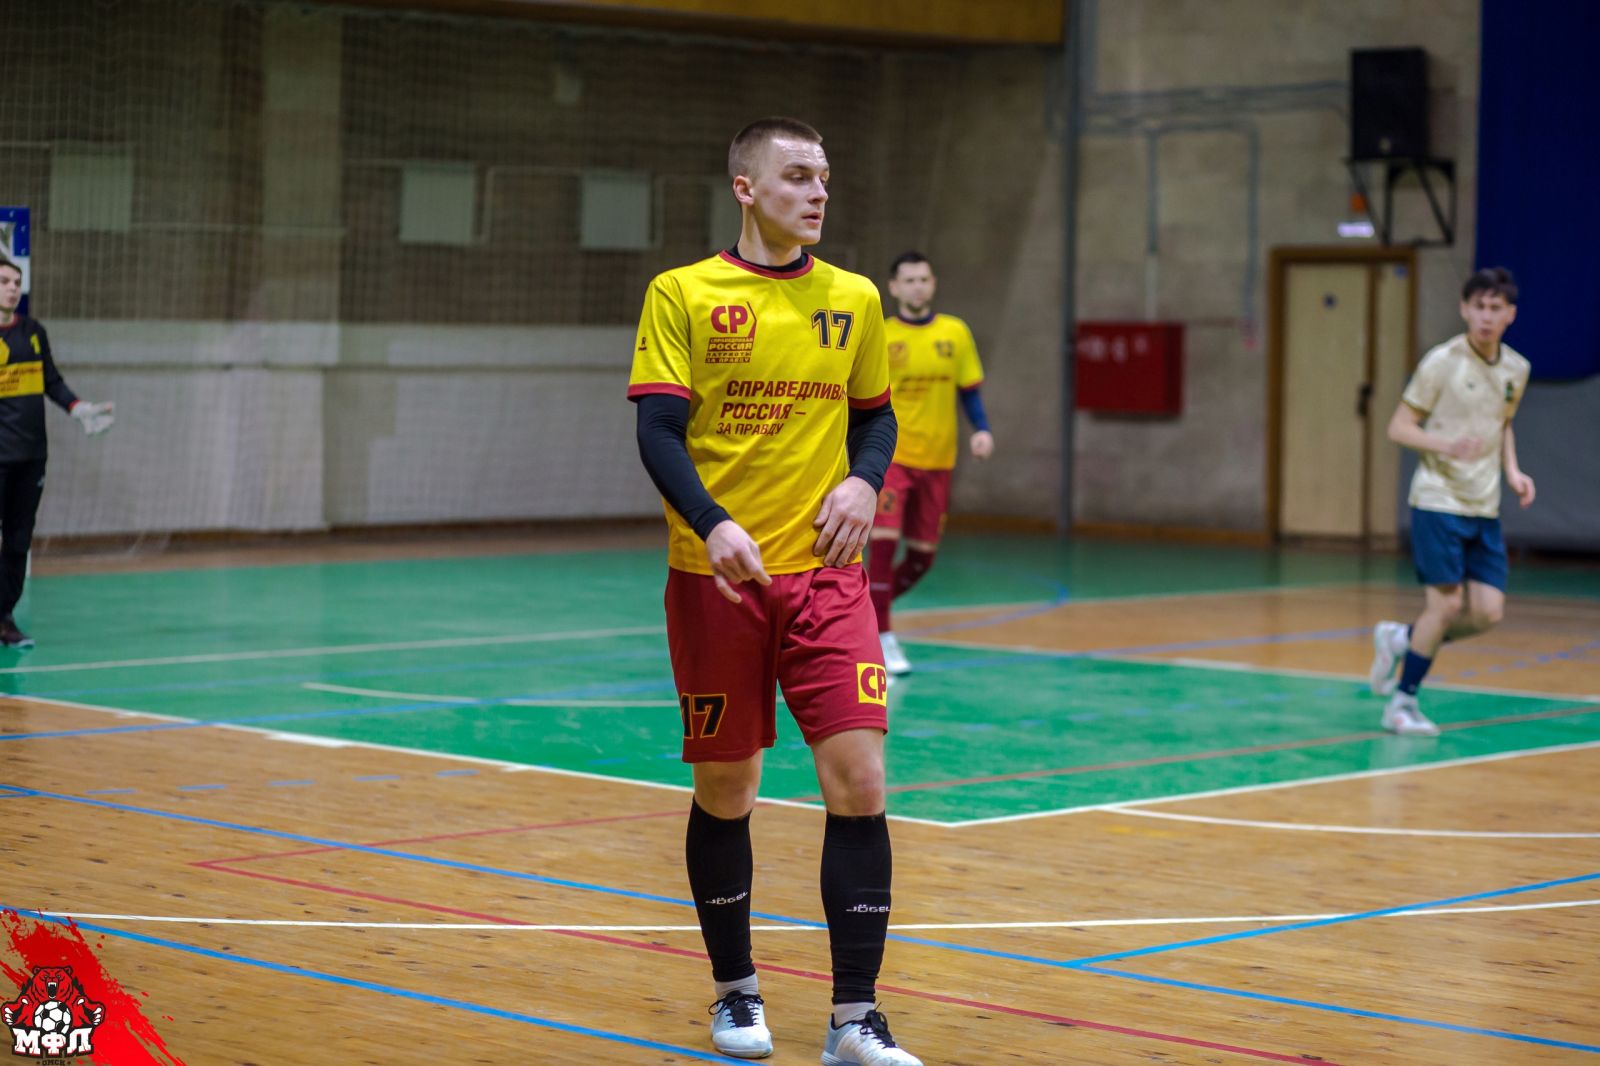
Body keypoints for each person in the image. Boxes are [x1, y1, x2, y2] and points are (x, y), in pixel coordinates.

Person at [626, 118, 921, 1066]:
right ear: (746, 188)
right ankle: (735, 989)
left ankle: (854, 1019)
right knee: (729, 785)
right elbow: (658, 432)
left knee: (861, 780)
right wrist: (712, 522)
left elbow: (876, 419)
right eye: (797, 176)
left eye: (824, 176)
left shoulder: (855, 297)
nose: (818, 192)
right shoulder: (682, 293)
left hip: (828, 577)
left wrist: (864, 481)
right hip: (717, 580)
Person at [1368, 267, 1534, 735]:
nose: (1486, 316)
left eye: (1495, 308)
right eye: (1478, 307)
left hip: (1484, 506)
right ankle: (1402, 703)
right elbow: (1398, 427)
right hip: (1437, 499)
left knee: (1486, 613)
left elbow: (1502, 423)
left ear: (1510, 315)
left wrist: (1513, 471)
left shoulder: (1516, 369)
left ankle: (1401, 638)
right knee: (1443, 606)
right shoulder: (1441, 362)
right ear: (1464, 309)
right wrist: (1446, 445)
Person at [867, 252, 992, 676]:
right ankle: (882, 638)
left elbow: (969, 391)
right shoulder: (882, 335)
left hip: (939, 461)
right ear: (894, 287)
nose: (917, 287)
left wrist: (981, 429)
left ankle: (861, 615)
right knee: (883, 547)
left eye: (923, 279)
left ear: (933, 283)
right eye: (909, 280)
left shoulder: (955, 332)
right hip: (894, 458)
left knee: (922, 559)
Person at [0, 259, 114, 648]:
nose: (12, 288)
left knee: (18, 540)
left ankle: (4, 619)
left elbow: (51, 380)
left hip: (32, 456)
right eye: (4, 281)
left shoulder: (34, 332)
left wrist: (78, 409)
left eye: (16, 281)